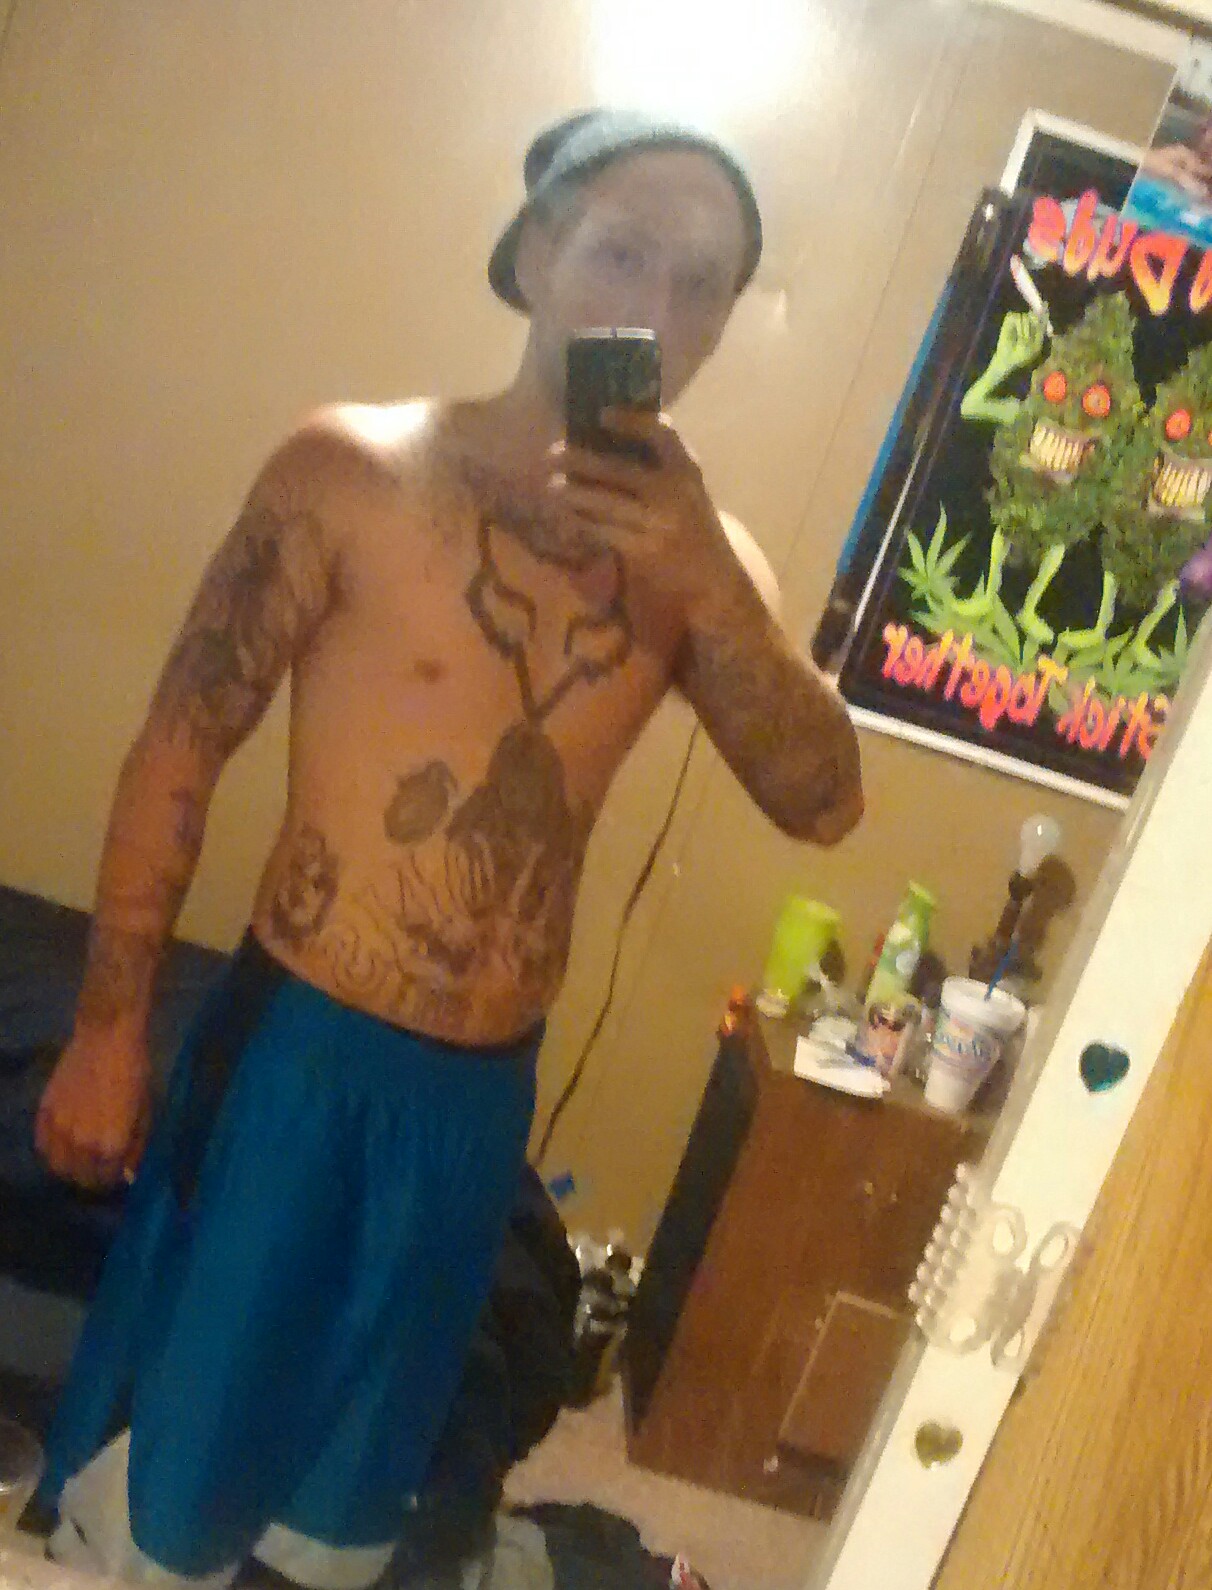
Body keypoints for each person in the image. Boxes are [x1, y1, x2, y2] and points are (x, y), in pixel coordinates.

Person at [34, 108, 864, 1588]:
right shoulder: (352, 470)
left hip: (478, 1098)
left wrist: (703, 578)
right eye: (622, 254)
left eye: (703, 285)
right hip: (298, 1053)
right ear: (535, 251)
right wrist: (108, 1029)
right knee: (178, 1470)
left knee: (352, 1491)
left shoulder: (707, 566)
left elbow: (824, 800)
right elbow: (179, 743)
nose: (657, 311)